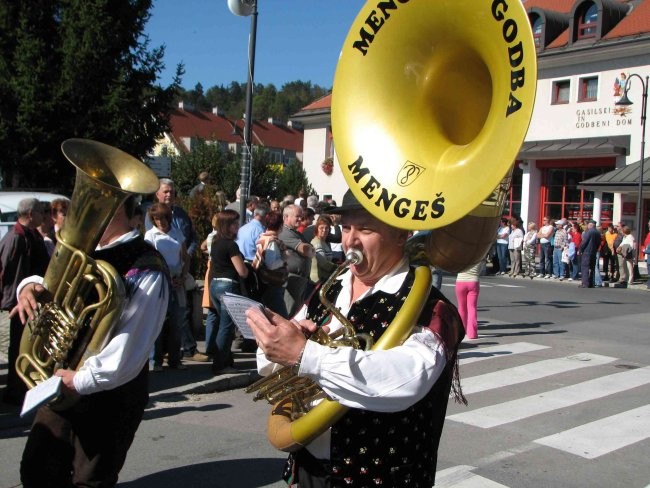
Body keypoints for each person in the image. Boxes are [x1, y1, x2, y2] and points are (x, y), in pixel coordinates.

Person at [246, 189, 465, 487]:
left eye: (366, 229)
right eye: (346, 227)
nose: (351, 240)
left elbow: (404, 380)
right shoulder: (330, 288)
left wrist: (306, 355)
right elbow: (275, 357)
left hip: (383, 475)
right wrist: (283, 344)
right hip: (309, 468)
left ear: (401, 234)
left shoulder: (434, 309)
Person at [15, 195, 170, 487]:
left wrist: (81, 379)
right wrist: (28, 286)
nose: (81, 212)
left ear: (117, 210)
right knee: (37, 470)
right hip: (60, 382)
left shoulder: (147, 264)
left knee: (90, 480)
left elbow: (132, 342)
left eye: (93, 204)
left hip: (109, 394)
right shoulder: (83, 249)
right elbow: (52, 284)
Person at [145, 178, 203, 360]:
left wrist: (187, 257)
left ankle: (182, 353)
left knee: (180, 316)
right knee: (160, 320)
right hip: (161, 278)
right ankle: (160, 357)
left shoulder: (181, 214)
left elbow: (192, 237)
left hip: (180, 272)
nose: (169, 194)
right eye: (165, 191)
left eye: (172, 191)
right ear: (157, 194)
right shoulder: (150, 219)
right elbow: (151, 255)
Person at [0, 198, 50, 405]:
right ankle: (15, 389)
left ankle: (21, 386)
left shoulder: (29, 235)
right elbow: (6, 270)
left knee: (25, 345)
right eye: (40, 212)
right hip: (18, 301)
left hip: (28, 298)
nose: (43, 216)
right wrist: (14, 298)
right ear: (30, 214)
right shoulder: (16, 237)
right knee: (17, 347)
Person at [144, 202, 189, 371]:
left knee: (177, 322)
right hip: (160, 281)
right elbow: (149, 260)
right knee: (158, 323)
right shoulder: (150, 236)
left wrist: (183, 276)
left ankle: (175, 360)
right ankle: (155, 361)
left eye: (163, 218)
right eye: (156, 219)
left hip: (177, 282)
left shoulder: (177, 233)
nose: (160, 222)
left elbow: (185, 257)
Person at [209, 209, 249, 374]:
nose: (238, 226)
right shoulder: (231, 245)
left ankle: (227, 360)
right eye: (235, 223)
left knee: (222, 324)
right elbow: (242, 271)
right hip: (228, 286)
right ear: (228, 225)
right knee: (226, 327)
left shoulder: (215, 242)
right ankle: (220, 365)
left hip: (215, 285)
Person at [279, 204, 314, 316]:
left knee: (297, 313)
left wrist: (310, 250)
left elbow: (310, 250)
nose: (300, 219)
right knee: (289, 313)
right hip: (293, 279)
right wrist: (310, 250)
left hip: (300, 279)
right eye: (297, 216)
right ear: (286, 217)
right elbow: (306, 250)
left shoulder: (296, 233)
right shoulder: (285, 233)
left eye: (301, 216)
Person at [252, 210, 289, 317]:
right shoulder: (272, 241)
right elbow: (271, 264)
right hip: (272, 284)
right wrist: (284, 259)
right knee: (282, 317)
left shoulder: (263, 238)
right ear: (281, 226)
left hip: (267, 283)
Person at [455, 260, 485, 340]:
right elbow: (480, 271)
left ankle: (461, 331)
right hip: (473, 281)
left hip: (460, 281)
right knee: (472, 308)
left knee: (461, 308)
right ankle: (472, 333)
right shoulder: (480, 255)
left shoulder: (462, 255)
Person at [310, 216, 338, 284]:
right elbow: (323, 263)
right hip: (318, 281)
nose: (324, 230)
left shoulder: (324, 242)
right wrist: (338, 268)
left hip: (325, 278)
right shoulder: (316, 242)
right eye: (321, 228)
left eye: (327, 228)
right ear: (317, 229)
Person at [578, 220, 600, 288]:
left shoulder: (588, 232)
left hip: (587, 252)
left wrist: (580, 249)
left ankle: (585, 283)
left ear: (590, 225)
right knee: (592, 268)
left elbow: (584, 242)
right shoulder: (597, 232)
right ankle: (591, 283)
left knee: (585, 267)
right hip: (593, 252)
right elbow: (598, 243)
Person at [642, 219, 650, 290]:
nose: (648, 225)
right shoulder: (648, 233)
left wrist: (646, 250)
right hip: (647, 255)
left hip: (648, 253)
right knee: (648, 269)